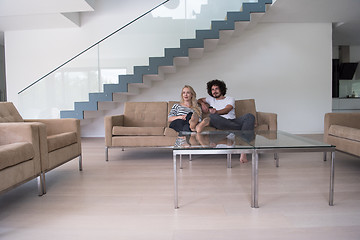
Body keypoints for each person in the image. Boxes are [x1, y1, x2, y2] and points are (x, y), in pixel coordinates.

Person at [197, 79, 255, 163]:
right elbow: (199, 100)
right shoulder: (210, 99)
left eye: (216, 89)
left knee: (249, 116)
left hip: (232, 122)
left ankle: (243, 151)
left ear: (221, 89)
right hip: (220, 122)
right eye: (212, 89)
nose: (214, 91)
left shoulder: (230, 99)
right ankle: (246, 127)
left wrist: (216, 111)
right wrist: (202, 104)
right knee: (213, 117)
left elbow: (227, 110)